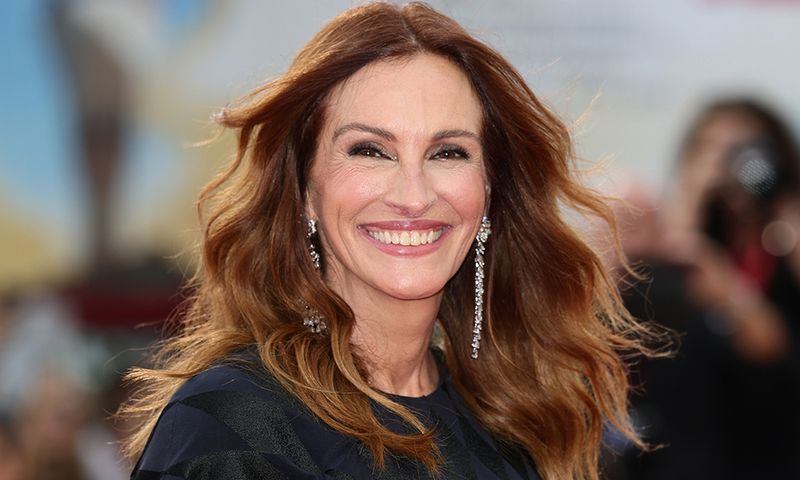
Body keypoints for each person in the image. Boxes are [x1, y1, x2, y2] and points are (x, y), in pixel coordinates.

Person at [120, 3, 654, 479]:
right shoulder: (232, 428)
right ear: (306, 188)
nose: (414, 195)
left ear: (489, 192)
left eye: (449, 153)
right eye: (370, 150)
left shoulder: (515, 429)